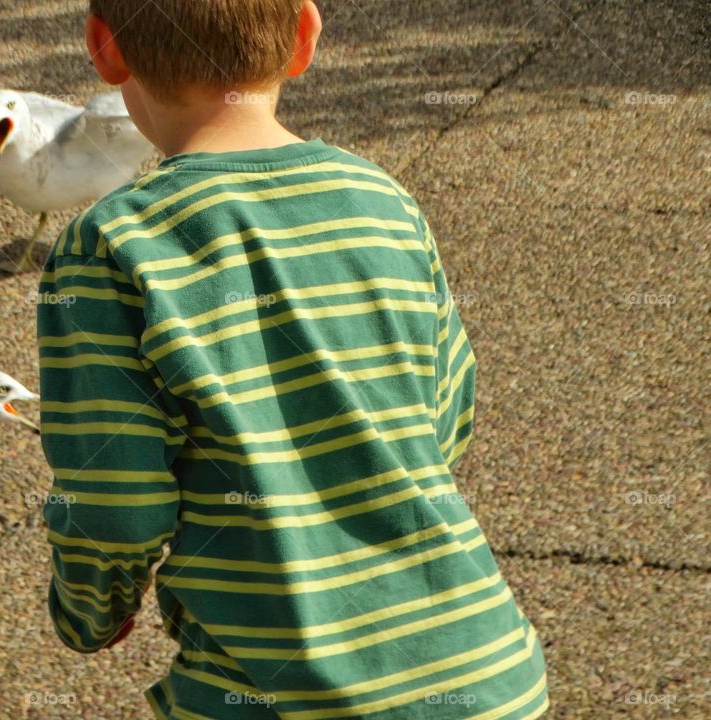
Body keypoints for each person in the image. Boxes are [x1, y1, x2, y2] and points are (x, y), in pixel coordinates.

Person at [36, 1, 548, 717]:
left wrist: (89, 611)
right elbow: (446, 415)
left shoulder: (114, 245)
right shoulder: (381, 200)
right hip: (487, 672)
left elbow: (116, 501)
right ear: (306, 34)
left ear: (104, 47)